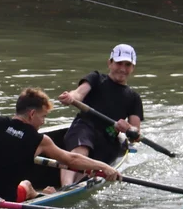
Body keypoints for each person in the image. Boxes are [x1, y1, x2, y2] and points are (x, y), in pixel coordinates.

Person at [0, 88, 122, 201]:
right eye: (43, 116)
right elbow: (71, 159)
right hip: (0, 200)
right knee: (27, 185)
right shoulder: (40, 141)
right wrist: (103, 166)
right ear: (32, 114)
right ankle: (38, 194)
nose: (43, 122)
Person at [58, 44, 144, 186]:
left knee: (90, 164)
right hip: (84, 127)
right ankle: (66, 187)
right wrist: (70, 97)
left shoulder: (134, 97)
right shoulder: (96, 78)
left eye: (128, 65)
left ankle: (78, 183)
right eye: (119, 63)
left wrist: (129, 129)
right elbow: (78, 94)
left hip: (108, 139)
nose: (123, 69)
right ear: (110, 63)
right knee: (82, 145)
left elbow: (136, 132)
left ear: (133, 68)